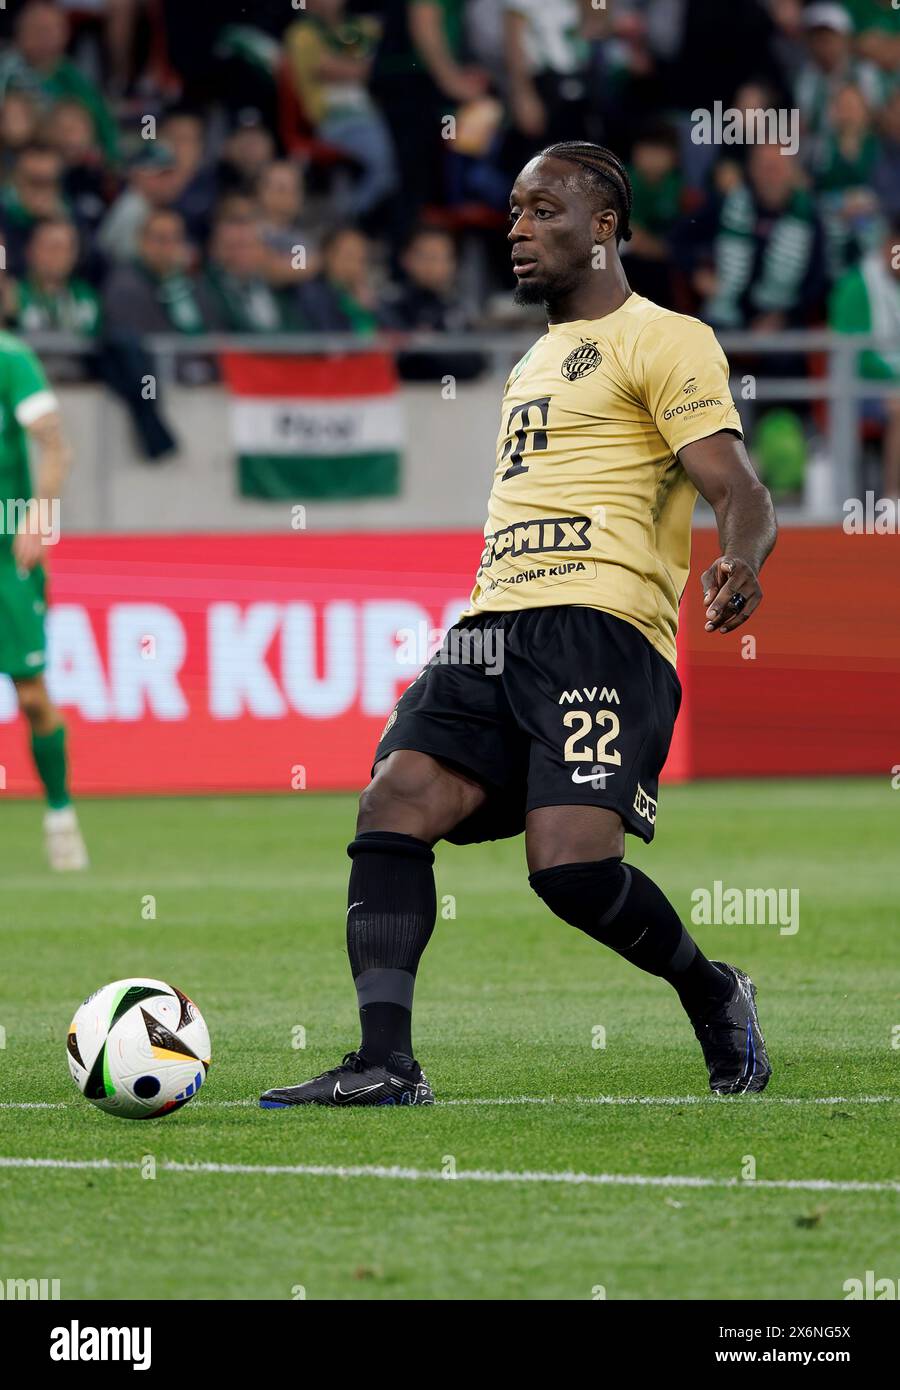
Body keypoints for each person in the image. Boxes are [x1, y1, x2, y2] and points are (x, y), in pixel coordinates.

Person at [260, 140, 776, 1109]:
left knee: (572, 869)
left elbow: (737, 486)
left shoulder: (667, 338)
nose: (517, 230)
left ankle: (714, 991)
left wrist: (741, 557)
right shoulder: (534, 359)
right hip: (494, 624)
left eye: (543, 211)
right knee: (394, 801)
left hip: (603, 629)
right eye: (512, 213)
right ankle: (384, 1061)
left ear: (605, 227)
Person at [0, 330, 88, 869]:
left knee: (31, 696)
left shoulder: (11, 359)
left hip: (7, 552)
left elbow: (56, 442)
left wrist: (38, 514)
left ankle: (60, 815)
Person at [829, 217, 900, 496]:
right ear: (887, 246)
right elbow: (852, 356)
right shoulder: (855, 287)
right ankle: (893, 497)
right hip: (861, 387)